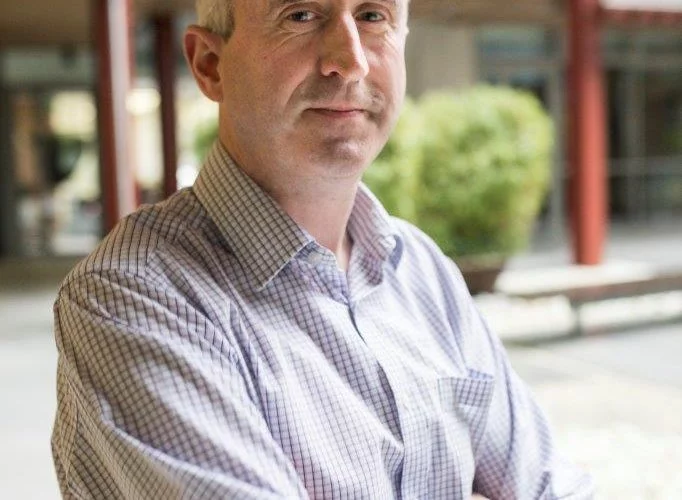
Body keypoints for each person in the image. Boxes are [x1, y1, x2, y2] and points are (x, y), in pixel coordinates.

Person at [51, 0, 594, 498]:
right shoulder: (132, 297)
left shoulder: (421, 268)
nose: (350, 61)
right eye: (301, 15)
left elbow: (557, 487)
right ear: (210, 65)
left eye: (373, 16)